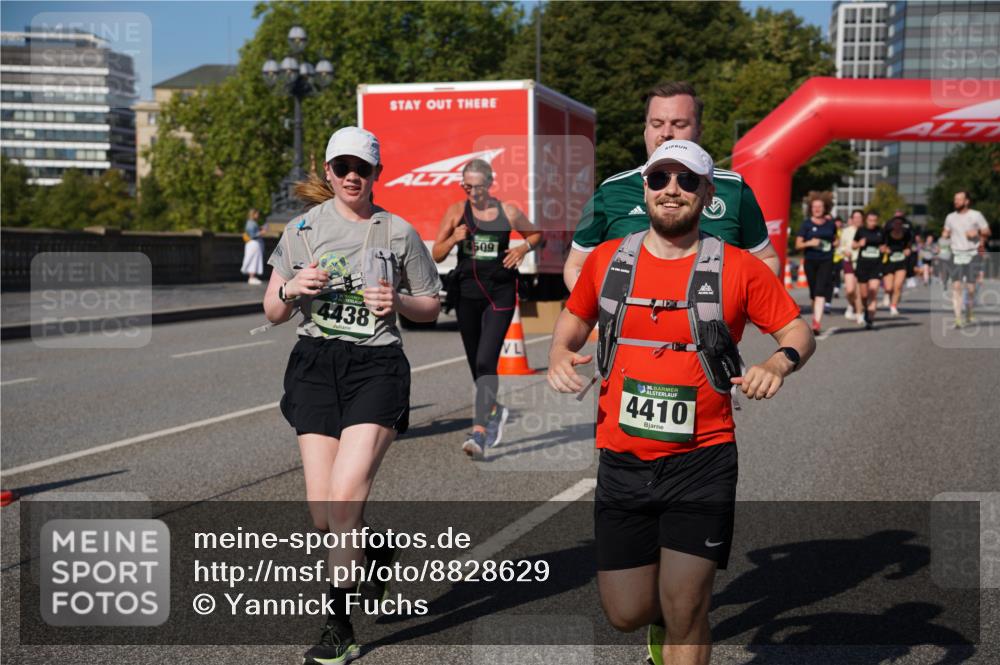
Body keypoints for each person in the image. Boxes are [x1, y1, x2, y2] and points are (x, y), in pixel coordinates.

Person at [547, 140, 814, 665]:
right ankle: (664, 627)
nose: (672, 190)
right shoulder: (608, 259)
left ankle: (680, 628)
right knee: (627, 611)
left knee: (687, 604)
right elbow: (575, 317)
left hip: (703, 461)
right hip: (622, 461)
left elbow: (797, 330)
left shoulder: (737, 267)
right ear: (645, 188)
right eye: (661, 179)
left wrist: (777, 363)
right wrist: (560, 351)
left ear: (707, 193)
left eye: (687, 181)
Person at [264, 126, 442, 665]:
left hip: (376, 367)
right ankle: (376, 554)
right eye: (342, 167)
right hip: (316, 365)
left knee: (343, 503)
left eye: (361, 169)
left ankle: (339, 628)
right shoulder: (300, 231)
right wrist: (292, 290)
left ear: (376, 174)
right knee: (324, 515)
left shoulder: (398, 233)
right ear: (328, 171)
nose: (351, 177)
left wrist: (398, 303)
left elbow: (431, 305)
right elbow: (272, 311)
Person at [563, 81, 780, 292]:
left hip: (710, 327)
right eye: (656, 124)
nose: (666, 133)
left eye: (679, 124)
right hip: (628, 329)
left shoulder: (734, 189)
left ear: (699, 131)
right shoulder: (610, 191)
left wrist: (740, 306)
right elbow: (576, 266)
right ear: (645, 130)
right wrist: (603, 313)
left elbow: (766, 259)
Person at [432, 159, 542, 457]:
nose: (472, 193)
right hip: (466, 294)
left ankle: (480, 431)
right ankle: (494, 409)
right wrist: (452, 238)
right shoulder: (457, 212)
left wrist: (521, 249)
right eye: (466, 186)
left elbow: (536, 235)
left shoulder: (508, 212)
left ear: (490, 184)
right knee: (475, 364)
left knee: (485, 360)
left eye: (477, 187)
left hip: (500, 294)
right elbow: (437, 254)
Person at [942, 190, 991, 327]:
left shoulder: (976, 215)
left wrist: (977, 232)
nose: (956, 201)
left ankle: (969, 311)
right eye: (955, 199)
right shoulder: (950, 217)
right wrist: (944, 235)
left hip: (972, 253)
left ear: (967, 201)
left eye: (959, 199)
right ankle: (958, 318)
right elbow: (945, 232)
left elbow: (987, 231)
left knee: (970, 288)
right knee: (956, 286)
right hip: (956, 253)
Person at [794, 197, 837, 333]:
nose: (817, 209)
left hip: (826, 260)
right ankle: (815, 316)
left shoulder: (831, 224)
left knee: (820, 290)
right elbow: (798, 244)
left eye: (820, 206)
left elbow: (835, 239)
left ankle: (816, 323)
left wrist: (835, 244)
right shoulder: (806, 224)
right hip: (811, 260)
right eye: (814, 206)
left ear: (825, 208)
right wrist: (810, 243)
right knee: (813, 292)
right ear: (811, 209)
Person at [853, 211, 887, 330]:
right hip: (863, 265)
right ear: (866, 220)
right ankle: (864, 309)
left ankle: (870, 320)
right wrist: (859, 244)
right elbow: (853, 245)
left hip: (876, 265)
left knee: (873, 292)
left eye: (874, 220)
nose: (872, 223)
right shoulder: (861, 230)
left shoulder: (881, 231)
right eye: (870, 220)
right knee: (863, 294)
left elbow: (885, 246)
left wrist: (884, 249)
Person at [882, 215, 913, 317]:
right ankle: (889, 297)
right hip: (889, 262)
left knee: (898, 286)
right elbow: (881, 245)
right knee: (889, 288)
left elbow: (909, 246)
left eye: (900, 224)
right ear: (892, 224)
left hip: (901, 262)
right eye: (896, 224)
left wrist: (908, 250)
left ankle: (893, 306)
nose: (898, 226)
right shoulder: (886, 234)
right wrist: (885, 249)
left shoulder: (906, 234)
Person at [839, 209, 863, 323]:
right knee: (850, 289)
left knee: (858, 290)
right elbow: (841, 246)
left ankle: (859, 314)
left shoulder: (865, 231)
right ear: (852, 219)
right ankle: (850, 304)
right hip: (848, 261)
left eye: (859, 217)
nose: (857, 219)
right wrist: (845, 251)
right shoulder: (846, 231)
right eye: (855, 217)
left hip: (862, 262)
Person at [241, 208, 264, 285]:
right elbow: (252, 235)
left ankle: (252, 276)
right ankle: (251, 277)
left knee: (254, 259)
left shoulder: (252, 222)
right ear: (253, 214)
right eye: (257, 214)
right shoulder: (251, 223)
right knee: (253, 260)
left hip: (253, 244)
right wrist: (261, 232)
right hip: (253, 243)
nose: (258, 215)